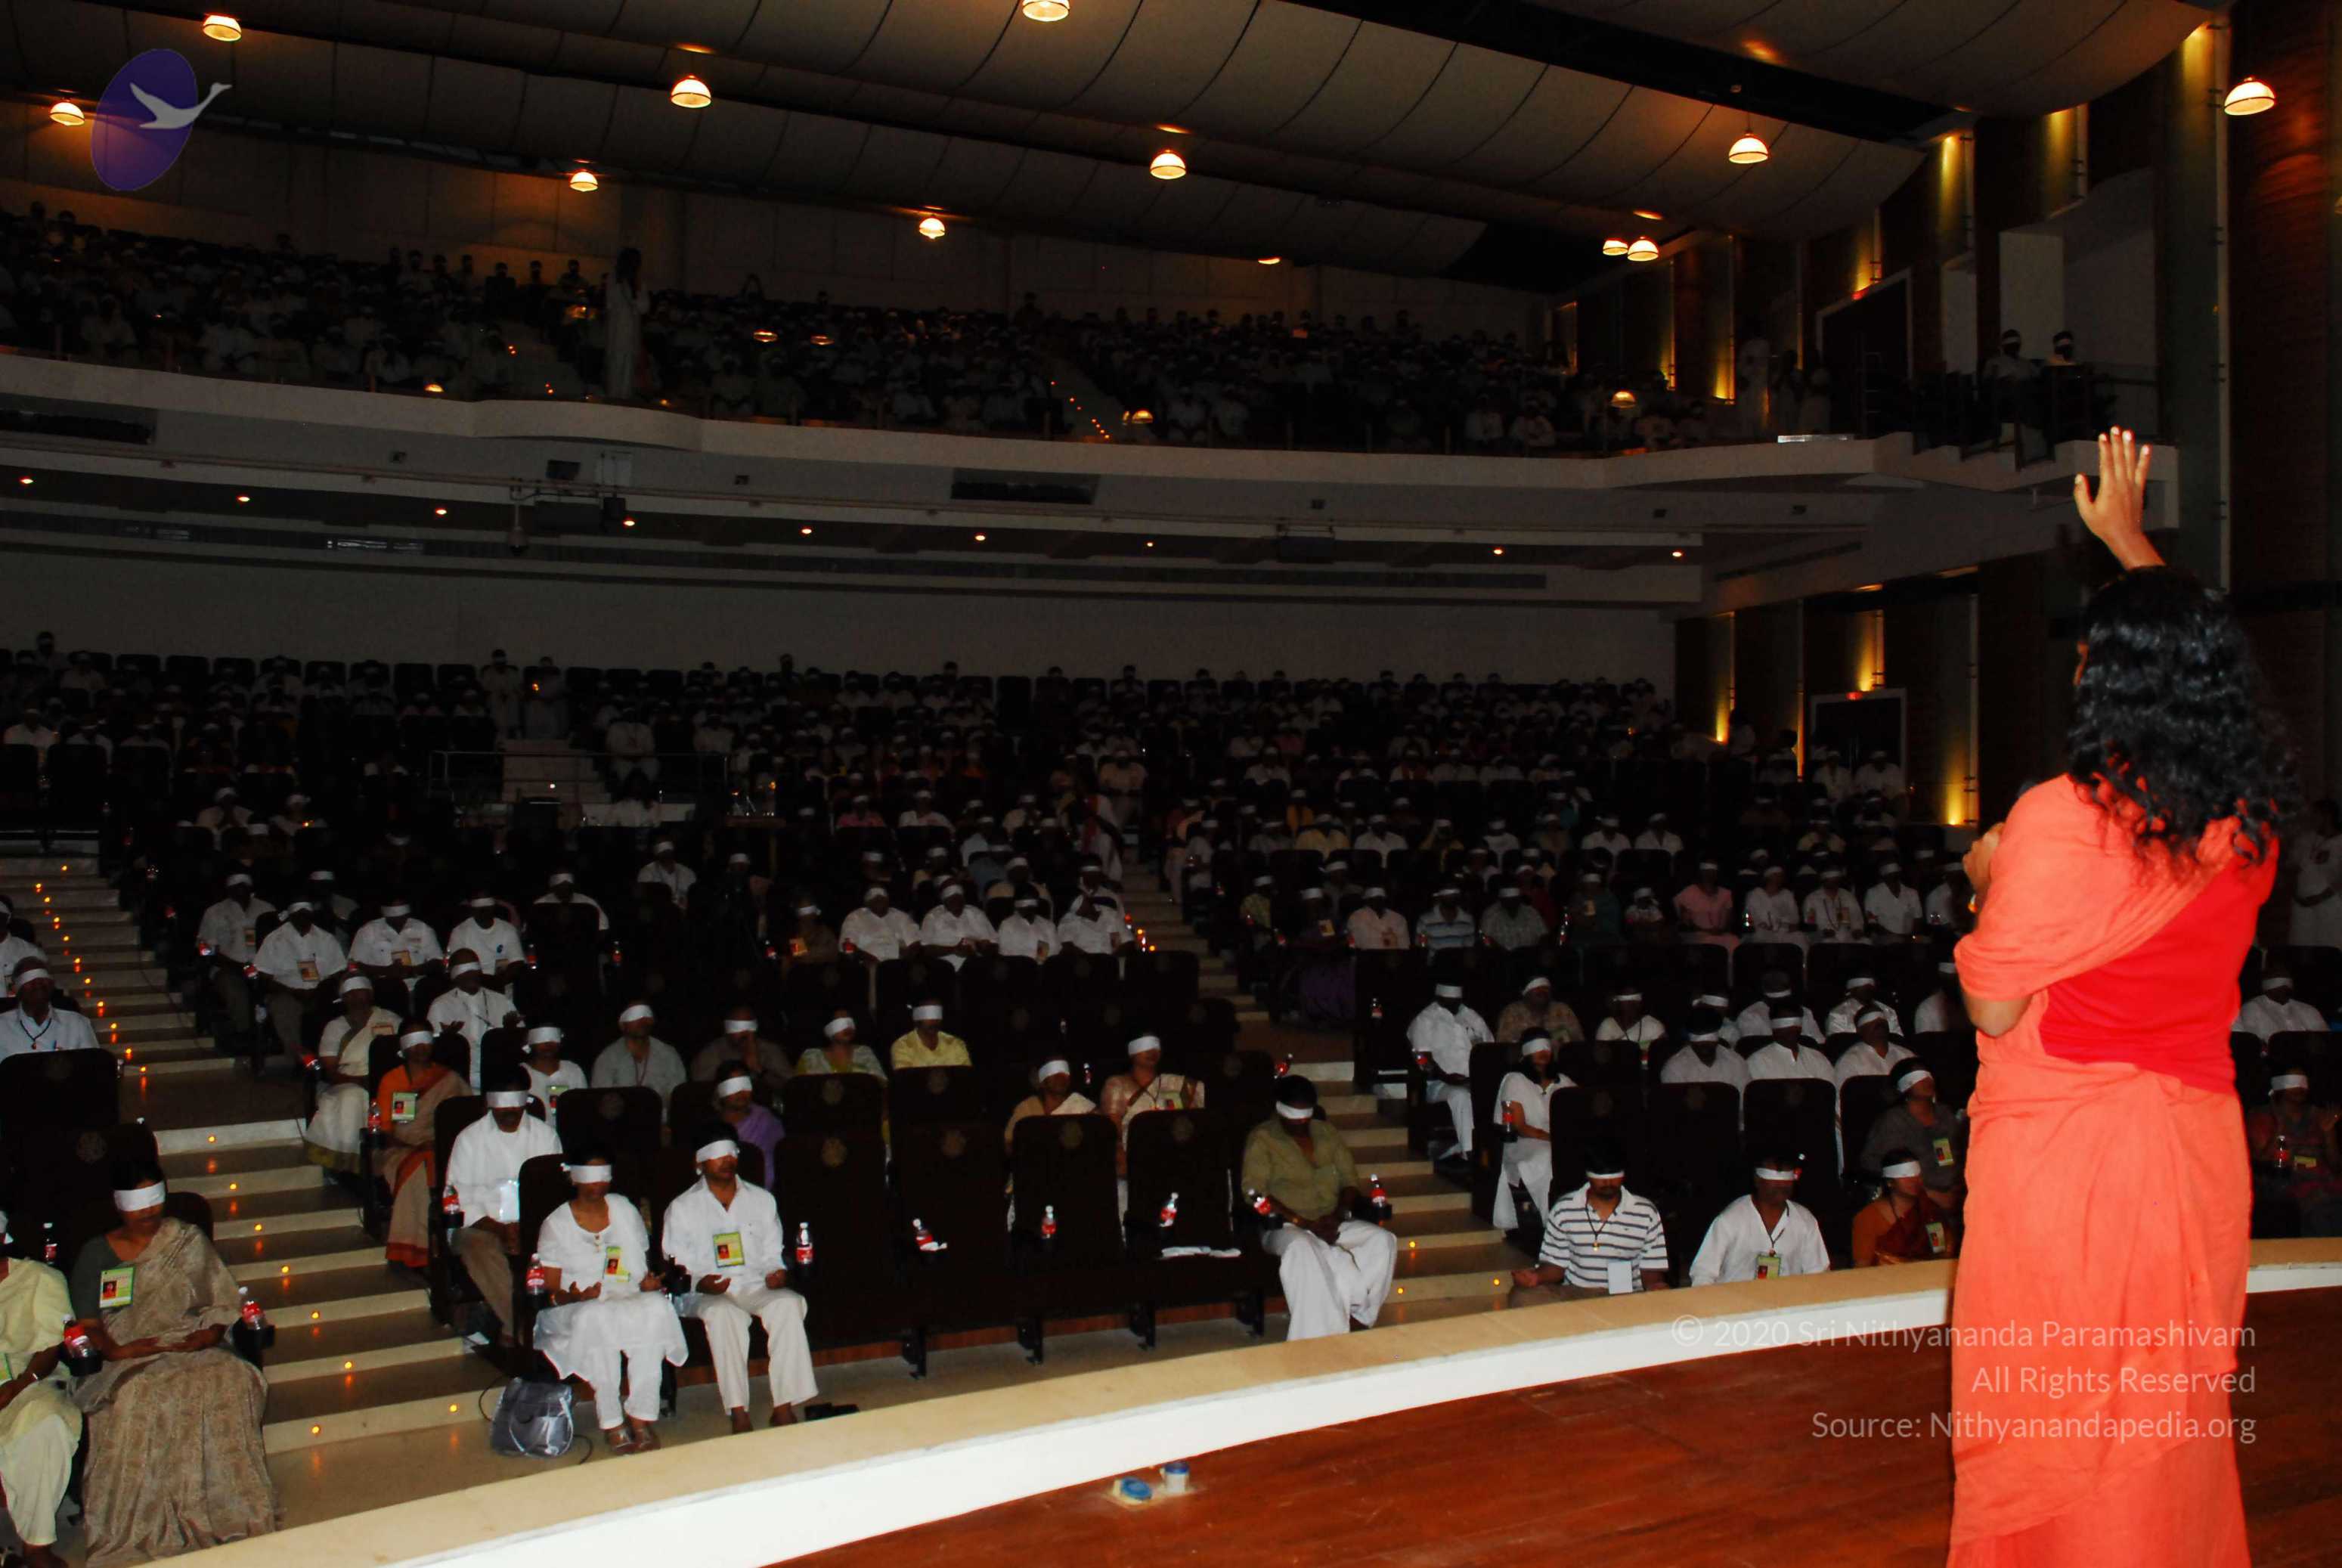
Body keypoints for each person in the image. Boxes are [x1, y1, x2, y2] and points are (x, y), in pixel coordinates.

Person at [1948, 429, 2290, 1567]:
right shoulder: (2246, 822)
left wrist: (1986, 880)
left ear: (2106, 680)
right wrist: (2130, 544)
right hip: (2190, 1153)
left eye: (2090, 657)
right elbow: (2206, 654)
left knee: (2062, 1412)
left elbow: (1994, 1009)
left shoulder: (2062, 818)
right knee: (2162, 1416)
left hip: (2075, 1163)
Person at [67, 1162, 276, 1564]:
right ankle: (145, 1518)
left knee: (232, 1378)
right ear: (119, 1204)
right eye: (138, 1202)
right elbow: (88, 1325)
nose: (148, 1211)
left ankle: (224, 1509)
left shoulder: (186, 1240)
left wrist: (210, 1334)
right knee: (141, 1394)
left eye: (154, 1200)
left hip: (187, 1339)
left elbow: (221, 1300)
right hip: (127, 1351)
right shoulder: (96, 1253)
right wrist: (118, 1351)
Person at [531, 1151, 686, 1453]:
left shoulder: (624, 1209)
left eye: (604, 1176)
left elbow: (640, 1266)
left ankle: (641, 1416)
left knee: (656, 1309)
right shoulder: (556, 1223)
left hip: (625, 1295)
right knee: (597, 1317)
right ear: (573, 1177)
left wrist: (647, 1283)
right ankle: (612, 1419)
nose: (598, 1184)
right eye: (591, 1176)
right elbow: (551, 1291)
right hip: (575, 1308)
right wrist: (576, 1295)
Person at [662, 1130, 816, 1433]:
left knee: (789, 1304)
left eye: (731, 1153)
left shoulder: (761, 1199)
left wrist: (777, 1272)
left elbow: (772, 1252)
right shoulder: (682, 1207)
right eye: (717, 1155)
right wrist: (700, 1282)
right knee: (724, 1314)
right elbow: (676, 1264)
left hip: (753, 1283)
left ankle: (783, 1406)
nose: (727, 1160)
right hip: (705, 1291)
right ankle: (738, 1411)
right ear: (700, 1163)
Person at [1240, 1078, 1396, 1340]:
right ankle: (1315, 1335)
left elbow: (1349, 1181)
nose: (1301, 1124)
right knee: (1304, 1248)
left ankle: (1357, 1317)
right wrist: (1303, 1223)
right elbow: (1255, 1192)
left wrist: (1338, 1216)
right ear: (1280, 1110)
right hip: (1284, 1226)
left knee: (1382, 1241)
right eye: (1295, 1117)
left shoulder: (1327, 1133)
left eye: (1306, 1117)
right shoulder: (1263, 1138)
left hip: (1330, 1220)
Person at [443, 1067, 562, 1350]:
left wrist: (526, 1229)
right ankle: (521, 1327)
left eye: (515, 1106)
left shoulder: (545, 1136)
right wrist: (499, 1229)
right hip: (482, 1225)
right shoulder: (469, 1139)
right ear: (489, 1104)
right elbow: (457, 1197)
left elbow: (553, 1192)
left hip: (534, 1224)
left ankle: (550, 1324)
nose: (509, 1113)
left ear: (526, 1102)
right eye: (502, 1107)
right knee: (478, 1246)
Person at [0, 1205, 77, 1568]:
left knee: (47, 1423)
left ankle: (36, 1544)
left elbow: (50, 1348)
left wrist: (17, 1387)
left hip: (30, 1382)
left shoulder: (39, 1279)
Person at [1507, 1139, 1668, 1303]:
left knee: (1662, 1300)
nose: (1608, 1183)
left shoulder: (1645, 1211)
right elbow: (1556, 1264)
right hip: (1577, 1293)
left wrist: (1655, 1286)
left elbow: (1651, 1268)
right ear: (1588, 1176)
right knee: (1522, 1296)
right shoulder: (1565, 1209)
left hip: (1626, 1295)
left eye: (1614, 1177)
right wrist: (1536, 1277)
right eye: (1601, 1177)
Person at [375, 1024, 471, 1269]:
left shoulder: (449, 1079)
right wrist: (415, 1146)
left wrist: (438, 1143)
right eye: (414, 1042)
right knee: (420, 1170)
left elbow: (467, 1117)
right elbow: (385, 1130)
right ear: (404, 1047)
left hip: (444, 1148)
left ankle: (445, 1242)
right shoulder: (392, 1080)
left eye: (425, 1041)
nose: (421, 1047)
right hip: (401, 1149)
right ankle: (418, 1245)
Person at [302, 973, 398, 1171]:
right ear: (344, 999)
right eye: (351, 994)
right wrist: (361, 1081)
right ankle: (353, 1163)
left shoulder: (391, 1019)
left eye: (361, 992)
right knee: (354, 1097)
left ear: (370, 994)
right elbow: (330, 1070)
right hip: (349, 1081)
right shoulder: (335, 1027)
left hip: (390, 1078)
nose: (356, 998)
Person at [1687, 1154, 1829, 1285]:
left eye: (1786, 1179)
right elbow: (1703, 1273)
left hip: (1787, 1301)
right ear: (1757, 1180)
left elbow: (1818, 1273)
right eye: (1774, 1178)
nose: (1781, 1185)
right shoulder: (1730, 1220)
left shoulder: (1805, 1221)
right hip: (1736, 1300)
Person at [1407, 983, 1489, 1173]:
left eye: (1457, 1001)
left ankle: (1487, 1151)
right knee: (1460, 1096)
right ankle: (1469, 1154)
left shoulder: (1471, 1016)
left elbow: (1488, 1048)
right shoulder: (1425, 1019)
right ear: (1439, 998)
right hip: (1439, 1084)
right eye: (1449, 1001)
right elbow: (1422, 1059)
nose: (1454, 1005)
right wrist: (1447, 1077)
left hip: (1475, 1080)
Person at [2245, 1072, 2340, 1236]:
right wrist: (2279, 1129)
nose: (2299, 1087)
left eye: (2303, 1081)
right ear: (2279, 1085)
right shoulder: (2262, 1116)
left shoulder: (2319, 1115)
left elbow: (2335, 1165)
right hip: (2287, 1182)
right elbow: (2264, 1162)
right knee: (2320, 1208)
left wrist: (2328, 1133)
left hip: (2325, 1182)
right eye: (2292, 1081)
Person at [251, 899, 346, 1060]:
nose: (303, 919)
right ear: (291, 916)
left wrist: (319, 991)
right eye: (299, 915)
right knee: (284, 1007)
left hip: (321, 992)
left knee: (331, 1006)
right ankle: (300, 1059)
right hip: (286, 992)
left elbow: (338, 972)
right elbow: (264, 976)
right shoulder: (274, 939)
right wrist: (292, 992)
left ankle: (329, 1057)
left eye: (306, 915)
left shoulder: (327, 939)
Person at [1492, 1033, 1569, 1232]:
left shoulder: (1563, 1081)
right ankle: (1553, 1224)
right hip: (1522, 1143)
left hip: (1561, 1140)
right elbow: (1520, 1126)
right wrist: (1555, 1139)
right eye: (1537, 1048)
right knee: (1548, 1155)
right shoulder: (1515, 1080)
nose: (1543, 1052)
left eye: (1547, 1048)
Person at [1858, 1066, 1964, 1205]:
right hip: (1913, 1197)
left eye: (1928, 1076)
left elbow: (1959, 1156)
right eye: (1918, 1077)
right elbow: (1885, 1169)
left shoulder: (1945, 1115)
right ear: (1904, 1086)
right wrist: (1930, 1195)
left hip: (1954, 1193)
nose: (1926, 1081)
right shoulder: (1893, 1122)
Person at [1097, 1034, 1202, 1165]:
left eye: (1156, 1046)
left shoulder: (1174, 1084)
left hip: (1176, 1157)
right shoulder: (1117, 1084)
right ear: (1132, 1052)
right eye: (1144, 1046)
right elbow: (1112, 1127)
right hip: (1135, 1158)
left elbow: (1195, 1119)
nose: (1152, 1051)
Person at [1850, 1151, 1961, 1265]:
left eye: (1916, 1174)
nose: (1913, 1180)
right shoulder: (1868, 1217)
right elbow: (1863, 1265)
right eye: (1905, 1175)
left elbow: (1942, 1253)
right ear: (1890, 1182)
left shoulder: (1930, 1211)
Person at [427, 953, 508, 1083]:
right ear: (454, 975)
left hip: (498, 1072)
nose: (471, 975)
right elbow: (432, 1049)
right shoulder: (440, 1005)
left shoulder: (501, 1000)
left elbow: (521, 1043)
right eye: (465, 971)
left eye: (474, 970)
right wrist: (447, 1038)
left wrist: (510, 1030)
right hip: (459, 1076)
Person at [590, 1002, 687, 1110]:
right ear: (622, 1025)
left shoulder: (668, 1055)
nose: (642, 1020)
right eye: (634, 1015)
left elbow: (679, 1098)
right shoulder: (607, 1060)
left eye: (647, 1015)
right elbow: (600, 1103)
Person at [0, 964, 98, 1060]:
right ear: (16, 990)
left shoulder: (78, 1023)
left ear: (52, 985)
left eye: (42, 979)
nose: (38, 983)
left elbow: (92, 1064)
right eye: (30, 980)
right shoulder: (2, 1026)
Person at [691, 1007, 792, 1099]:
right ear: (726, 1029)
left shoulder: (770, 1050)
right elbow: (699, 1091)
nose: (745, 1032)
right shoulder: (712, 1052)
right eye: (738, 1027)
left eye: (750, 1026)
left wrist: (759, 1070)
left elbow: (791, 1088)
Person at [1004, 1058, 1096, 1151]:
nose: (1060, 1076)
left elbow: (1099, 1133)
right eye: (1053, 1071)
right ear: (1041, 1080)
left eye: (1064, 1071)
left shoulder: (1080, 1104)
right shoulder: (1028, 1107)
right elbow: (1009, 1143)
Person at [710, 1068, 785, 1179]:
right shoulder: (710, 1128)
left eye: (745, 1084)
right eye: (733, 1086)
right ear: (719, 1091)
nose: (741, 1092)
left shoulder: (766, 1120)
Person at [2288, 798, 2342, 948]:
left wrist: (2319, 898)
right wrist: (2296, 893)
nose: (2311, 819)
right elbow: (2291, 867)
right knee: (2302, 948)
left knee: (2330, 949)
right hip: (2302, 907)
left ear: (2327, 816)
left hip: (2331, 907)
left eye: (2315, 815)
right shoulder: (2305, 839)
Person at [348, 901, 443, 981]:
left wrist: (413, 970)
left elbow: (438, 961)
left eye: (403, 917)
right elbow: (354, 964)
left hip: (417, 983)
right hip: (381, 985)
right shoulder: (368, 931)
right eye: (395, 918)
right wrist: (385, 971)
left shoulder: (422, 928)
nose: (400, 922)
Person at [2232, 967, 2325, 1043]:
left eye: (2287, 986)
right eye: (2280, 987)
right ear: (2268, 988)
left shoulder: (2307, 1010)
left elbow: (2323, 1037)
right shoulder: (2252, 1008)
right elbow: (2252, 1041)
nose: (2285, 989)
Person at [917, 882, 996, 970]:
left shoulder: (976, 913)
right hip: (943, 966)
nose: (956, 903)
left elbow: (994, 944)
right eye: (952, 900)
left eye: (959, 899)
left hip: (976, 964)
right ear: (944, 901)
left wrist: (977, 947)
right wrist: (954, 950)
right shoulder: (933, 916)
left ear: (964, 899)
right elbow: (925, 949)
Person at [1833, 1007, 1916, 1087]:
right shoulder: (1849, 1061)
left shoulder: (1907, 1055)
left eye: (1882, 1019)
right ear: (1859, 1029)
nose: (1879, 1022)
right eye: (1871, 1019)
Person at [603, 246, 645, 401]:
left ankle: (624, 402)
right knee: (616, 371)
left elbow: (644, 307)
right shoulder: (615, 280)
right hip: (617, 333)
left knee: (628, 374)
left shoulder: (638, 282)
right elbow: (610, 304)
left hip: (631, 334)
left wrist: (635, 295)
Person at [1746, 1010, 1835, 1082]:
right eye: (1785, 1023)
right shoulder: (1757, 1061)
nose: (1792, 1029)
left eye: (1796, 1024)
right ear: (1774, 1027)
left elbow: (1832, 1091)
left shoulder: (1817, 1058)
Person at [1494, 975, 1582, 1046]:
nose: (1543, 991)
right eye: (1537, 988)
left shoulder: (1563, 1011)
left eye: (1546, 988)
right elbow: (1505, 1048)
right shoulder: (1511, 1013)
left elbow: (1579, 1043)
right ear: (1525, 993)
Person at [1659, 1022, 1749, 1090]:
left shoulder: (1736, 1061)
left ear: (1717, 1041)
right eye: (1700, 1042)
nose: (1705, 1045)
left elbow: (1743, 1100)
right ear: (1690, 1042)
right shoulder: (1674, 1067)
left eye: (1709, 1042)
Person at [795, 1014, 886, 1080]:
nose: (847, 1027)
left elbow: (881, 1086)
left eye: (849, 1021)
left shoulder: (865, 1053)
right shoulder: (811, 1057)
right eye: (840, 1022)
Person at [889, 1002, 971, 1071]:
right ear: (916, 1016)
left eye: (937, 1013)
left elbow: (965, 1077)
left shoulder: (956, 1044)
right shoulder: (902, 1047)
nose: (934, 1020)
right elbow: (906, 1080)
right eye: (927, 1014)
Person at [522, 1024, 586, 1105]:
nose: (548, 1044)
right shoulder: (521, 1073)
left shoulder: (574, 1071)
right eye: (542, 1038)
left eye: (553, 1038)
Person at [1863, 862, 1922, 939]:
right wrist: (1895, 937)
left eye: (1895, 876)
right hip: (1884, 937)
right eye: (1890, 876)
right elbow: (1872, 922)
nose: (1893, 879)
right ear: (1884, 877)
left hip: (1910, 937)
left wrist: (1912, 937)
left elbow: (1918, 918)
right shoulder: (1873, 893)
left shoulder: (1912, 893)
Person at [1913, 961, 1969, 1033]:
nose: (1953, 985)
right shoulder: (1926, 1009)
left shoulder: (1971, 1007)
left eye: (1956, 979)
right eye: (1949, 979)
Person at [1344, 887, 1408, 950]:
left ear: (1385, 900)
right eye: (1374, 900)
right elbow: (1351, 941)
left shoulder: (1398, 919)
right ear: (1367, 901)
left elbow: (1404, 944)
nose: (1378, 903)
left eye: (1380, 899)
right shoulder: (1356, 917)